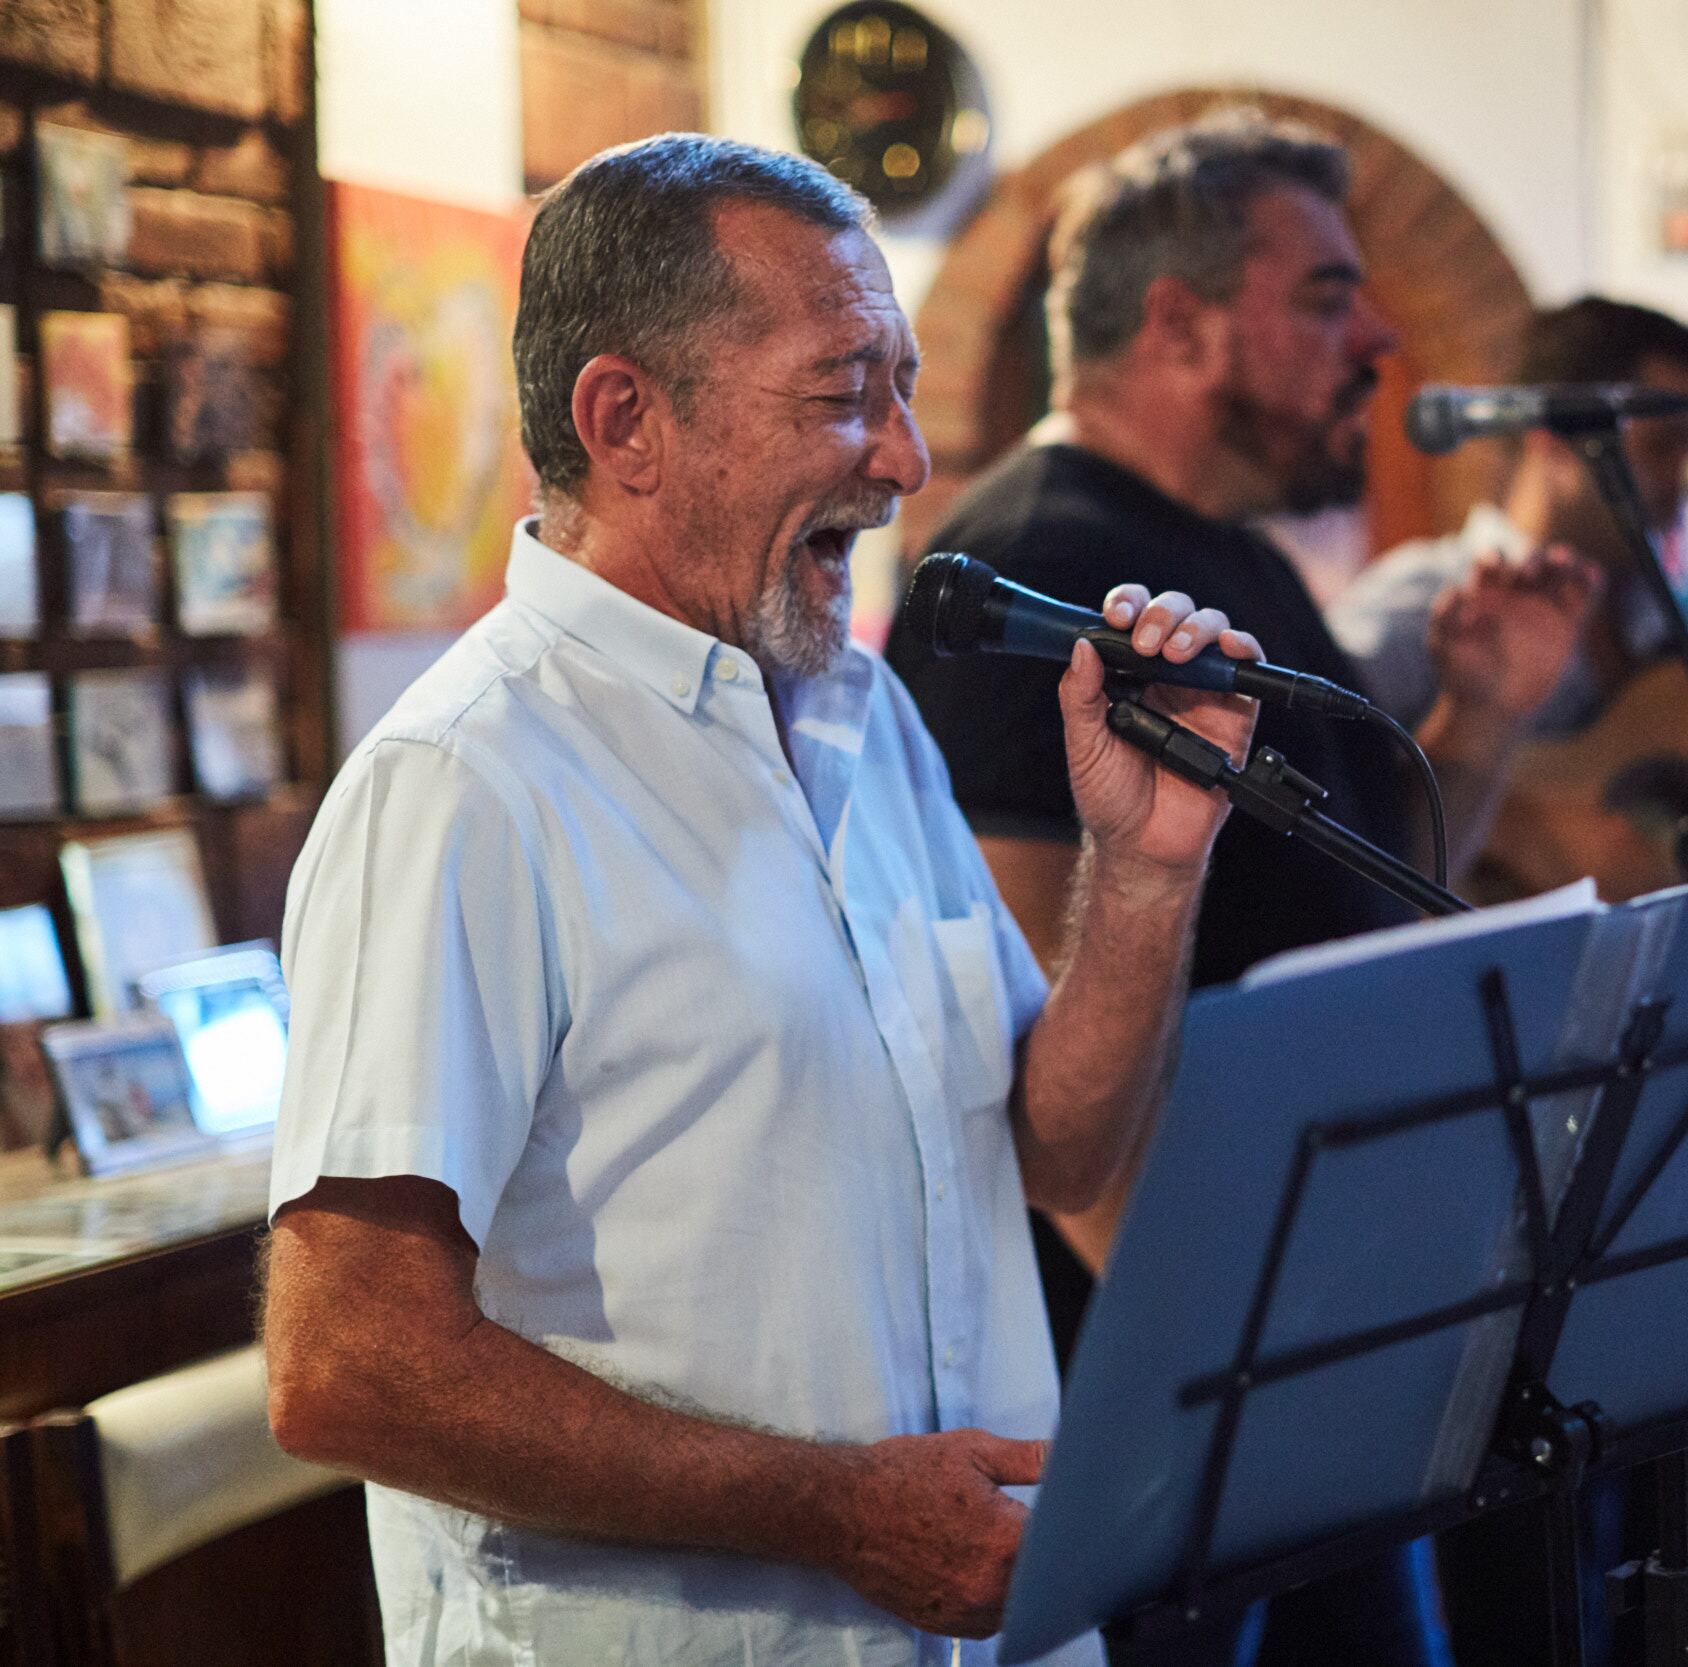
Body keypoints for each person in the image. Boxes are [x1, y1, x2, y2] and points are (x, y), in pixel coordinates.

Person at [260, 134, 1267, 1667]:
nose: (908, 458)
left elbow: (1055, 1147)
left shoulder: (865, 715)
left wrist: (1145, 867)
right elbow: (345, 1361)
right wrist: (838, 1508)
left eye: (905, 387)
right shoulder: (466, 782)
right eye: (844, 389)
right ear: (627, 420)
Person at [889, 109, 1585, 1667]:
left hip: (1294, 1339)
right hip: (1172, 1399)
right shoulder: (1044, 573)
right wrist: (1241, 1384)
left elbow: (1355, 898)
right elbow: (1037, 1070)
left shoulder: (1234, 557)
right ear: (1183, 322)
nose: (1380, 336)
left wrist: (1481, 715)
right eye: (1330, 295)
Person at [1329, 296, 1688, 739]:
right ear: (1554, 439)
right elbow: (1324, 779)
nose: (1682, 480)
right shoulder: (1418, 606)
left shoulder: (1657, 618)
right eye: (1661, 447)